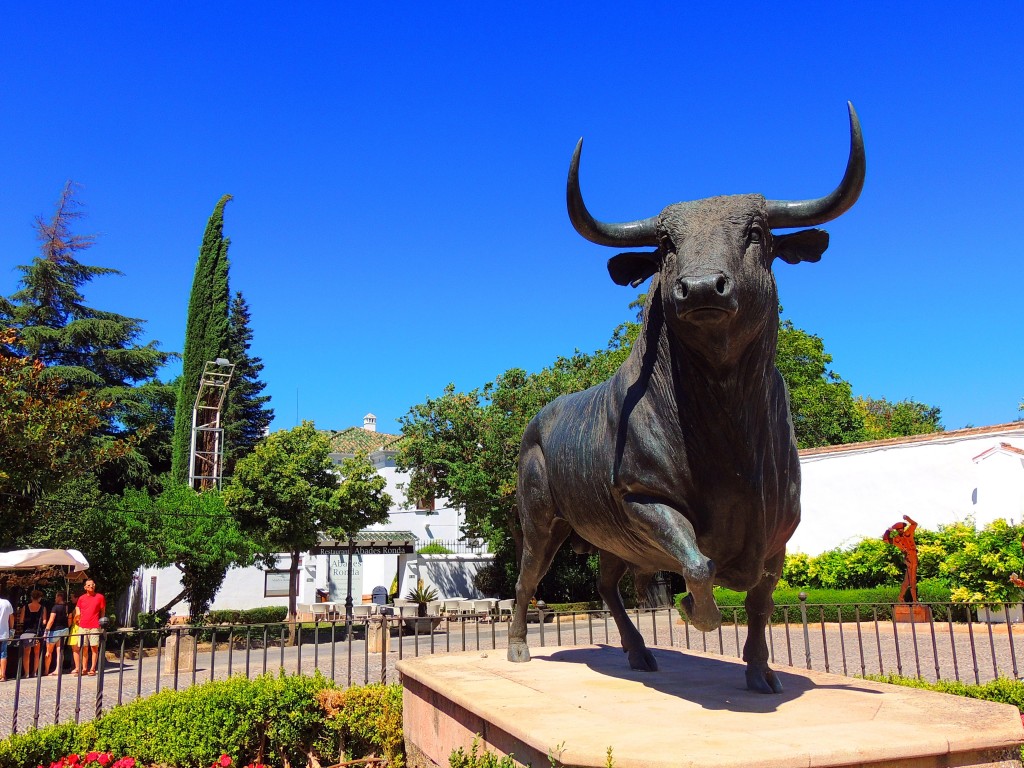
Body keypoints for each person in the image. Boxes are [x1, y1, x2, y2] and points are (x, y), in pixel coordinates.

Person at [883, 515, 919, 603]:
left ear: (903, 528)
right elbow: (885, 539)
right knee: (912, 579)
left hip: (914, 556)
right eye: (898, 530)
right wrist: (888, 531)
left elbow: (914, 524)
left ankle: (901, 598)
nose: (900, 530)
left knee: (907, 581)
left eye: (901, 529)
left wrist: (907, 519)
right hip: (909, 559)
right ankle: (914, 601)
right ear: (896, 531)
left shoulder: (909, 532)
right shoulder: (896, 540)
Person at [74, 580, 106, 676]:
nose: (91, 586)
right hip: (83, 625)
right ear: (85, 587)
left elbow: (103, 610)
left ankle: (92, 668)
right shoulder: (81, 598)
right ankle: (84, 668)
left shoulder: (100, 597)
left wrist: (101, 622)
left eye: (93, 584)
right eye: (89, 585)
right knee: (83, 647)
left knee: (94, 647)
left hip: (95, 625)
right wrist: (78, 614)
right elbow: (77, 607)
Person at [19, 589, 48, 677]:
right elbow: (44, 621)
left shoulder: (25, 607)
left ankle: (26, 673)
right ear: (39, 598)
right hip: (37, 633)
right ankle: (34, 672)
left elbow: (21, 620)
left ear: (31, 597)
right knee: (36, 653)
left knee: (26, 653)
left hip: (27, 632)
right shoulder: (43, 608)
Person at [43, 591, 70, 675]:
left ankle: (46, 670)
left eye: (56, 597)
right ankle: (58, 669)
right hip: (65, 630)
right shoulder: (66, 607)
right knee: (59, 650)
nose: (55, 599)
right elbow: (69, 619)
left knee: (49, 652)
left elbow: (51, 620)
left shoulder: (55, 607)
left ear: (59, 597)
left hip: (55, 631)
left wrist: (46, 630)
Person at [0, 590, 13, 682]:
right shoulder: (6, 603)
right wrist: (11, 628)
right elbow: (11, 617)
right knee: (3, 654)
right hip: (4, 633)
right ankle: (2, 675)